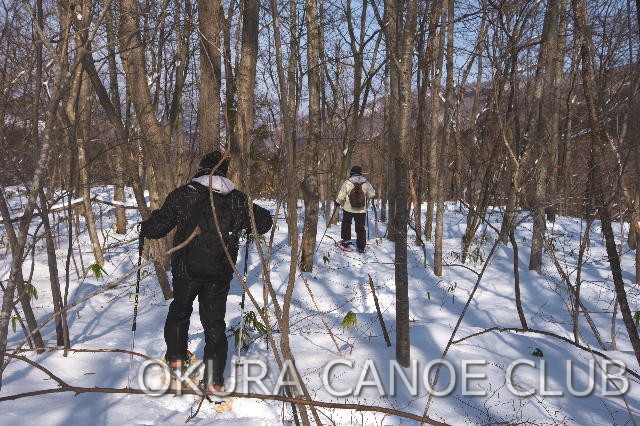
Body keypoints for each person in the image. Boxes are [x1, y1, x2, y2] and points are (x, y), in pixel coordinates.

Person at [139, 151, 272, 392]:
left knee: (180, 311)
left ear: (201, 168)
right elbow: (263, 223)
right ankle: (214, 380)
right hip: (219, 272)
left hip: (185, 270)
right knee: (214, 323)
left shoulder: (185, 195)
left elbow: (157, 228)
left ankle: (176, 359)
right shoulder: (237, 199)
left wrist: (145, 226)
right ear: (225, 171)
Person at [335, 165, 375, 253]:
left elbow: (341, 195)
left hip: (348, 209)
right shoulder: (366, 182)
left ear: (352, 173)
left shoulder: (347, 182)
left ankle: (346, 241)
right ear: (360, 173)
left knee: (346, 224)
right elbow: (372, 194)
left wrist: (337, 202)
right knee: (360, 228)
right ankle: (361, 246)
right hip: (361, 210)